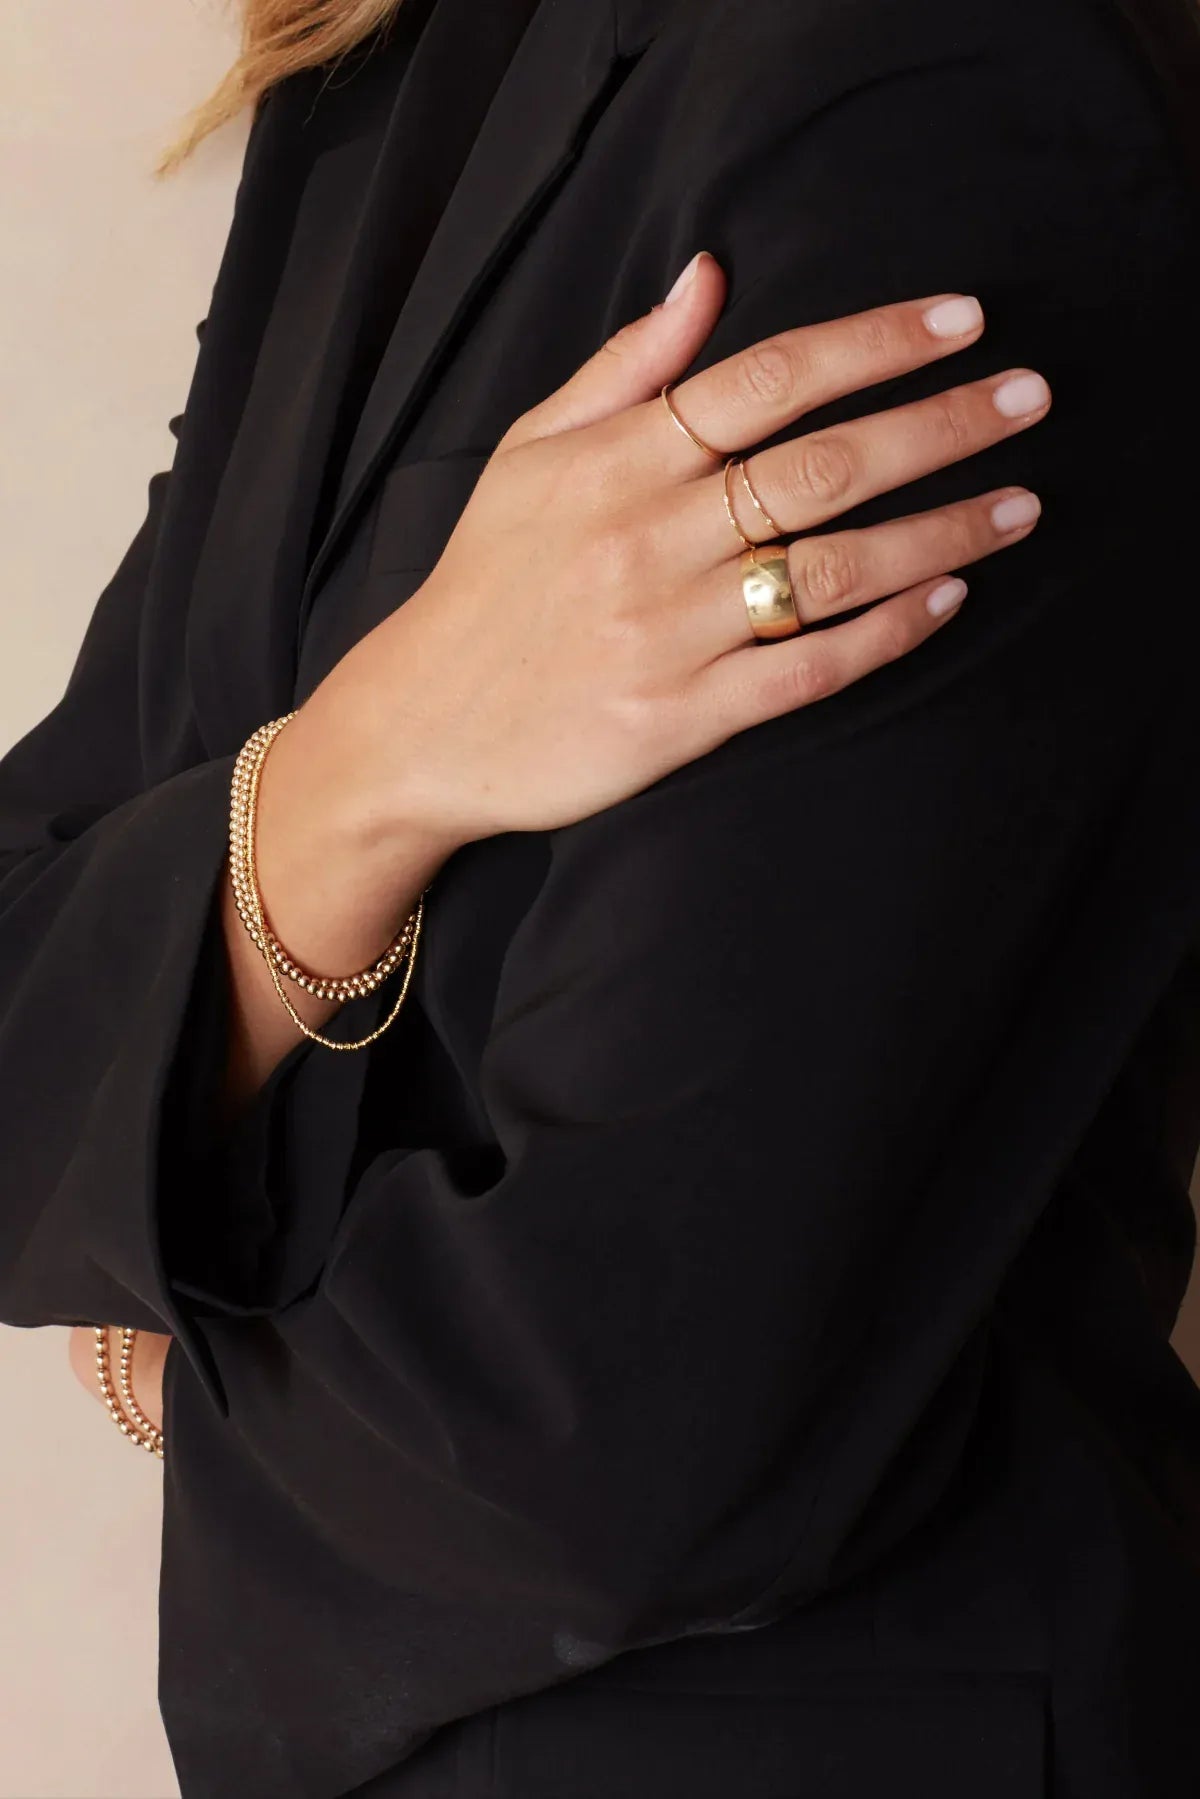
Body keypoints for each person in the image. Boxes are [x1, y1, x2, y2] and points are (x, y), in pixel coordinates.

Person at [6, 0, 1200, 1792]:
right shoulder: (367, 86)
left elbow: (608, 1427)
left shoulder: (934, 72)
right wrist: (373, 761)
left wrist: (178, 1369)